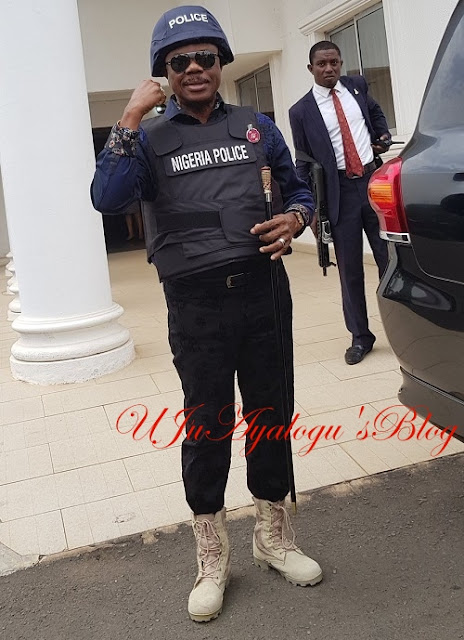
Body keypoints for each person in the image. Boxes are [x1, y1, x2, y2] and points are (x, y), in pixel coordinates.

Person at [91, 5, 322, 623]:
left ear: (220, 63)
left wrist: (296, 217)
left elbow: (300, 189)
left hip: (263, 292)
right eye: (180, 60)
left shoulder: (257, 127)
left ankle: (273, 537)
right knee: (207, 424)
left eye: (205, 57)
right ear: (164, 71)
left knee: (271, 414)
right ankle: (212, 556)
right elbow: (107, 198)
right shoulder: (146, 138)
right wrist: (130, 117)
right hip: (195, 303)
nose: (194, 68)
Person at [289, 41, 390, 365]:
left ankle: (402, 328)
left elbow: (375, 112)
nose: (329, 68)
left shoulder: (357, 87)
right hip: (339, 193)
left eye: (333, 62)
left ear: (341, 63)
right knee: (351, 271)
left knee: (390, 262)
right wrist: (309, 209)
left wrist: (382, 135)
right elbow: (302, 161)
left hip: (373, 185)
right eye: (322, 64)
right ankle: (361, 337)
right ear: (311, 69)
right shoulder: (300, 112)